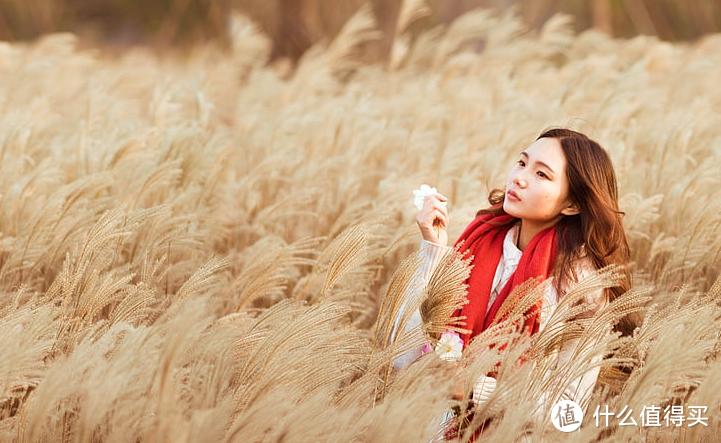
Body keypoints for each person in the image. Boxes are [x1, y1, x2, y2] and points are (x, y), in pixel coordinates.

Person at [397, 128, 633, 430]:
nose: (519, 178)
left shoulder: (580, 288)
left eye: (542, 175)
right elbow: (403, 357)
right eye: (522, 163)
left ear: (572, 204)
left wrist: (475, 388)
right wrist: (434, 250)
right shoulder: (475, 245)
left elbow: (568, 415)